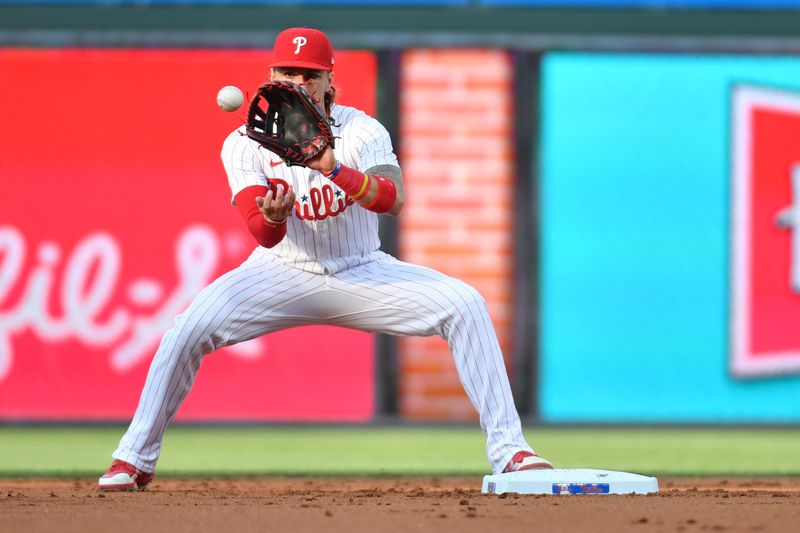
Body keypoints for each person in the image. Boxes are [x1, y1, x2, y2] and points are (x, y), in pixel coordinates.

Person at [97, 27, 553, 492]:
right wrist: (273, 218)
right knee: (187, 329)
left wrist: (332, 167)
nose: (297, 82)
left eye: (308, 74)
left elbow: (392, 199)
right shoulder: (243, 142)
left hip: (362, 270)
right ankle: (133, 459)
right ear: (271, 76)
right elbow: (263, 234)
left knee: (466, 304)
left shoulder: (361, 129)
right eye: (287, 71)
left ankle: (511, 452)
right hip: (281, 272)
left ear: (329, 82)